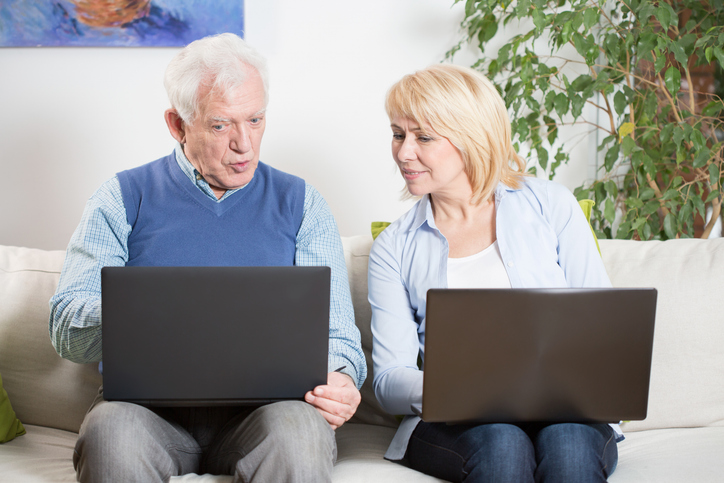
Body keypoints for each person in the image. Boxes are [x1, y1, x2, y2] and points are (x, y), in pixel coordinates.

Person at [49, 33, 365, 483]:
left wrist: (342, 377)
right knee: (110, 434)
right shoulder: (121, 198)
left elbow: (338, 334)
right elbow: (67, 332)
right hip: (147, 416)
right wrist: (142, 311)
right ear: (177, 125)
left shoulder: (302, 204)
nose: (245, 144)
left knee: (300, 433)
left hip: (265, 416)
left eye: (255, 120)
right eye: (221, 125)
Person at [368, 64, 620, 482]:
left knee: (570, 445)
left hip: (565, 413)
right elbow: (390, 382)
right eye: (398, 134)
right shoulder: (394, 247)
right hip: (456, 423)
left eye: (423, 137)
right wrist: (468, 389)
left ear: (471, 138)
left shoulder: (551, 206)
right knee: (502, 442)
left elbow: (605, 332)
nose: (403, 152)